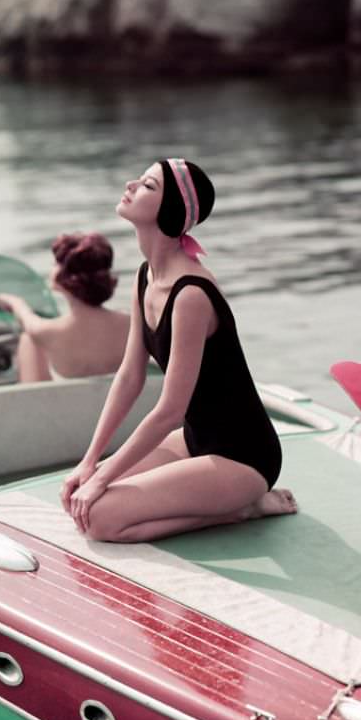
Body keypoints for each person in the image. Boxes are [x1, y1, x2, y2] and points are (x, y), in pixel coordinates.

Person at [60, 158, 297, 542]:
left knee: (101, 519)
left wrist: (102, 476)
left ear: (169, 211)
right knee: (77, 500)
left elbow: (170, 410)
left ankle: (243, 508)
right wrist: (88, 464)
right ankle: (230, 505)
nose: (131, 183)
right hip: (193, 441)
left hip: (243, 458)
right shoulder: (145, 275)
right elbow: (130, 376)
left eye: (149, 186)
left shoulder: (191, 295)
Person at [0, 232, 129, 382]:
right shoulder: (131, 324)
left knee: (28, 339)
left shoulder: (46, 332)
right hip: (122, 401)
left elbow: (27, 319)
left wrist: (15, 302)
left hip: (67, 402)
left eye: (55, 263)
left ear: (64, 275)